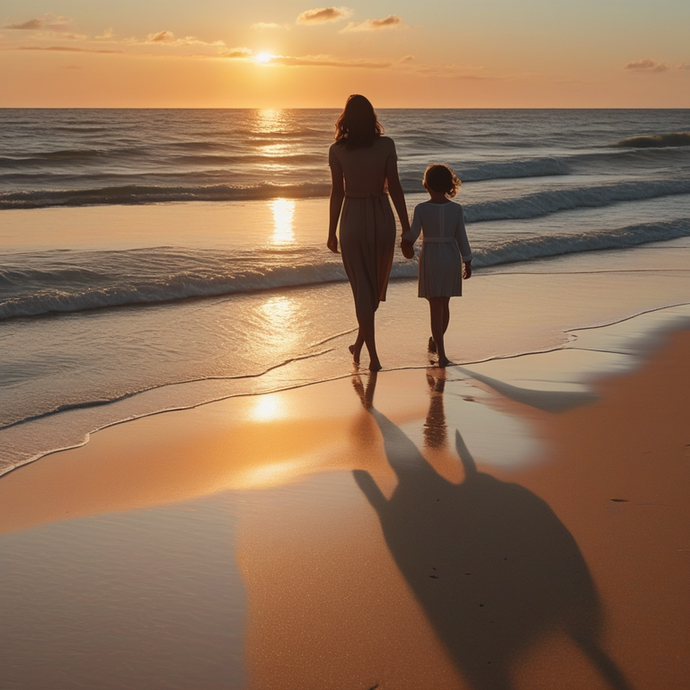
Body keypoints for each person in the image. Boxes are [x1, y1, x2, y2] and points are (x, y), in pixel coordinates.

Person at [327, 95, 411, 371]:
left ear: (346, 118)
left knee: (363, 290)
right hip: (381, 215)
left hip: (351, 218)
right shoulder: (386, 145)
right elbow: (395, 188)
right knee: (373, 289)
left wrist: (331, 231)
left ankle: (364, 349)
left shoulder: (337, 150)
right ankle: (369, 354)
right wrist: (406, 228)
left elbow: (337, 192)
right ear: (372, 116)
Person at [401, 164, 472, 367]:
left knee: (434, 306)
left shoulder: (421, 208)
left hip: (431, 255)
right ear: (449, 185)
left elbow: (413, 236)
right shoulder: (456, 209)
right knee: (445, 304)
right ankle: (437, 343)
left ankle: (441, 354)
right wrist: (467, 260)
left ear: (427, 185)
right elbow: (462, 237)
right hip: (451, 255)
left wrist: (403, 240)